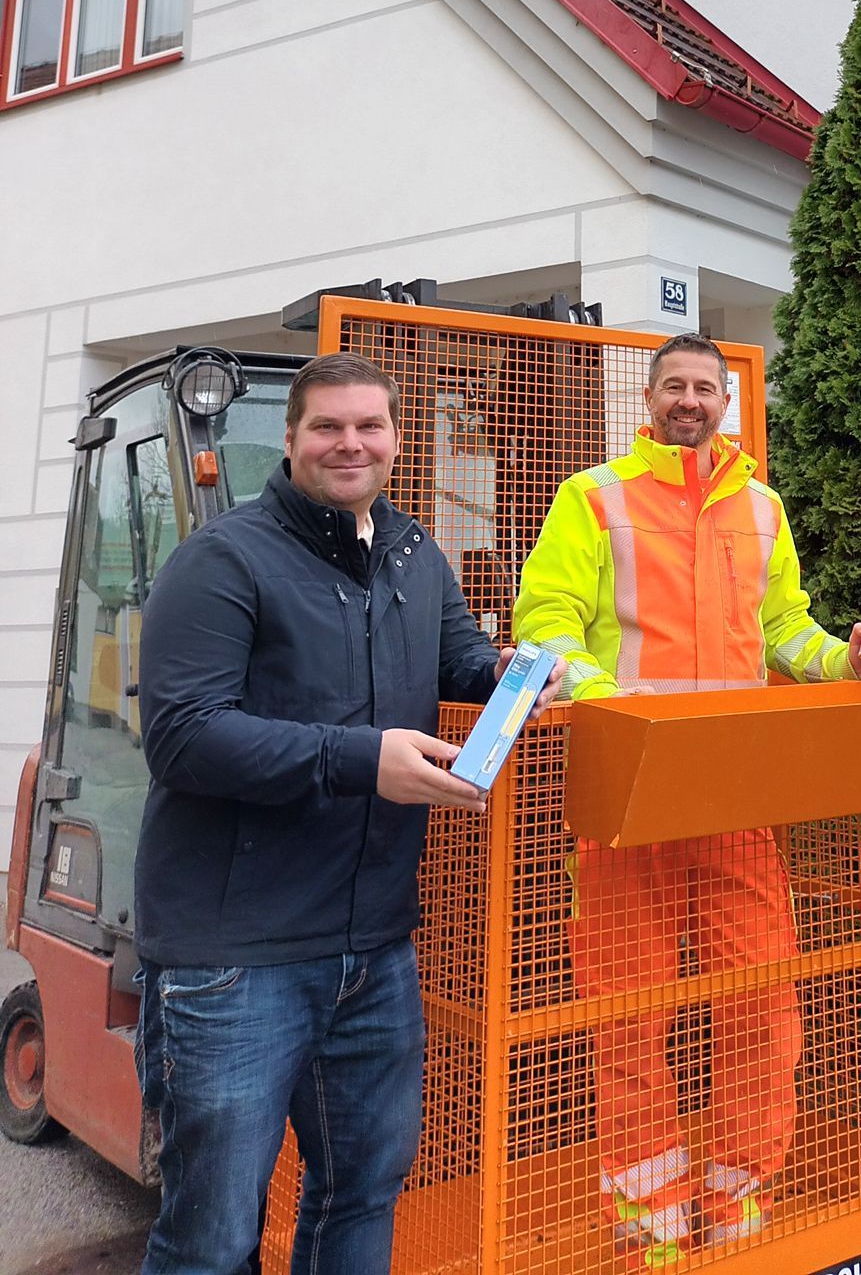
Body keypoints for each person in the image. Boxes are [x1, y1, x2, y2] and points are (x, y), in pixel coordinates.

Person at [134, 352, 561, 1275]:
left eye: (369, 426)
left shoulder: (412, 553)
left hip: (373, 951)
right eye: (327, 426)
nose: (349, 443)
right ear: (289, 440)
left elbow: (459, 658)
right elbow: (184, 737)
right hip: (234, 960)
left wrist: (514, 676)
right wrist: (365, 760)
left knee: (362, 1201)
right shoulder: (221, 561)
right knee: (211, 1238)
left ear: (398, 440)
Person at [515, 332, 861, 1269]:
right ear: (648, 399)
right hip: (626, 801)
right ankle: (654, 1226)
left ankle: (737, 1203)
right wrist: (616, 705)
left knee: (762, 1002)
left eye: (705, 388)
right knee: (628, 1016)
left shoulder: (761, 507)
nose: (690, 400)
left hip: (734, 798)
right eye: (674, 386)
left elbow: (785, 631)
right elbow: (546, 624)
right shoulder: (591, 498)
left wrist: (848, 661)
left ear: (727, 400)